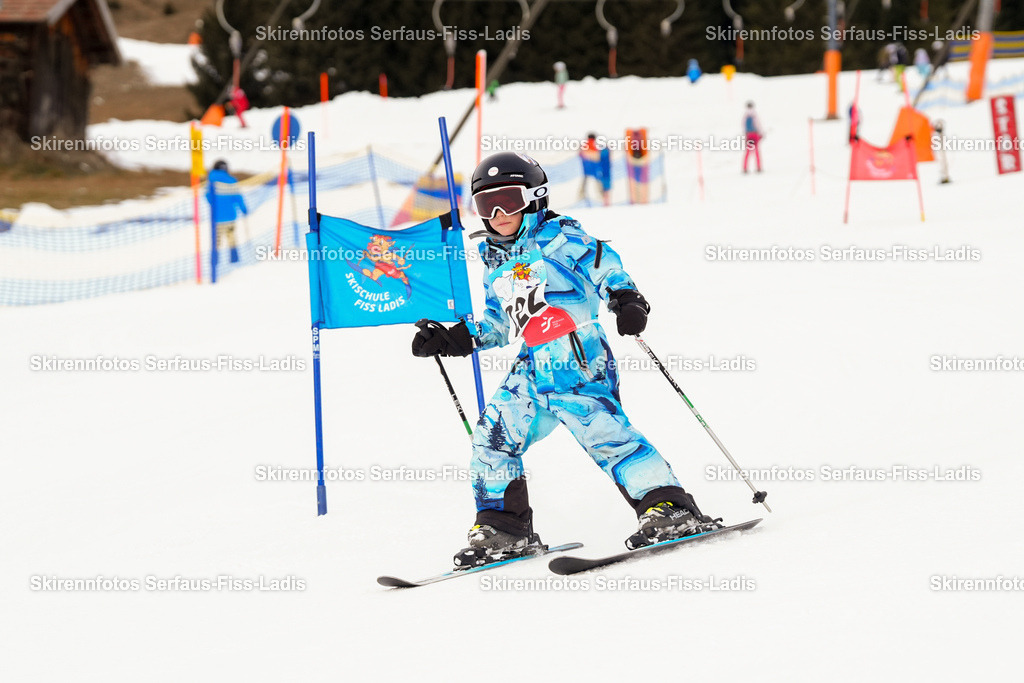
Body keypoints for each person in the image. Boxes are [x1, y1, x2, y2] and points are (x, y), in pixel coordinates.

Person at [411, 152, 713, 569]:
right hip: (533, 363)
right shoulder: (495, 260)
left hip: (577, 354)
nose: (498, 214)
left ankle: (668, 508)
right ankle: (505, 529)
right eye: (486, 205)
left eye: (508, 201)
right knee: (492, 437)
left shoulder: (560, 235)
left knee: (604, 435)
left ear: (534, 197)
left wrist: (625, 298)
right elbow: (500, 323)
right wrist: (458, 338)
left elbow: (604, 266)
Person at [205, 159, 248, 263]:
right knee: (231, 238)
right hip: (230, 216)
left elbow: (208, 196)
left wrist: (215, 204)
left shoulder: (211, 181)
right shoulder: (232, 181)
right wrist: (243, 209)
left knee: (216, 240)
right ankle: (234, 259)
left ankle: (214, 262)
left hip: (216, 217)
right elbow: (238, 197)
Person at [579, 133, 612, 206]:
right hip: (595, 169)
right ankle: (602, 197)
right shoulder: (594, 145)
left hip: (586, 169)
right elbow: (598, 157)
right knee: (598, 184)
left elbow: (581, 154)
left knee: (585, 183)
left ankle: (582, 196)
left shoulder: (585, 146)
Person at [742, 101, 764, 173]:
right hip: (755, 134)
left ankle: (745, 168)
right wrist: (761, 133)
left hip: (748, 135)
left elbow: (743, 126)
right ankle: (758, 167)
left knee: (748, 152)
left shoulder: (745, 116)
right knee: (757, 152)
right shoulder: (755, 115)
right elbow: (758, 124)